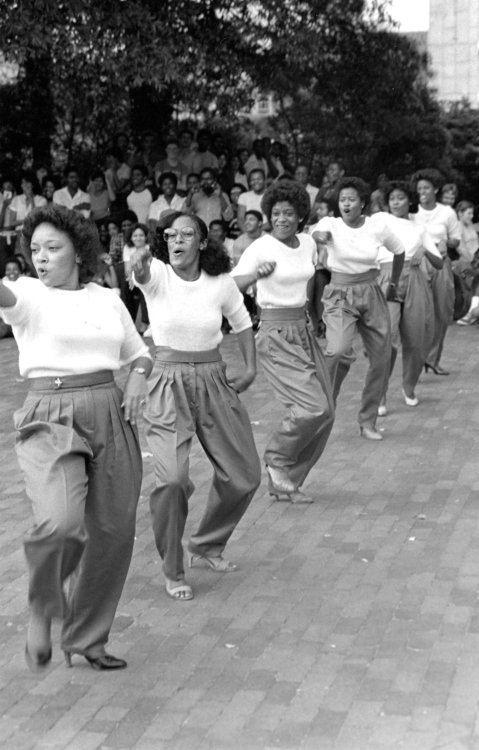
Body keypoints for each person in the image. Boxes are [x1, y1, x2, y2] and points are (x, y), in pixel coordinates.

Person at [0, 204, 152, 672]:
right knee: (60, 521)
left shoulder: (106, 298)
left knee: (113, 531)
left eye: (52, 248)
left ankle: (87, 639)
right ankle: (43, 612)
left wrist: (140, 377)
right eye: (35, 250)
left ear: (79, 252)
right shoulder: (27, 293)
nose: (40, 258)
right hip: (50, 417)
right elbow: (7, 299)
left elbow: (138, 353)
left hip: (109, 410)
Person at [131, 211, 260, 601]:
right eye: (170, 235)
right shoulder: (156, 274)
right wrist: (138, 266)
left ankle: (206, 544)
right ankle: (173, 568)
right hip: (167, 381)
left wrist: (251, 369)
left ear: (202, 242)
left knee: (244, 474)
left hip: (212, 380)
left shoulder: (220, 282)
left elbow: (242, 323)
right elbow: (142, 276)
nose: (177, 241)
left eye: (187, 234)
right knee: (171, 480)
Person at [233, 179, 335, 502]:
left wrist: (316, 319)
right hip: (275, 333)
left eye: (288, 213)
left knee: (327, 411)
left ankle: (287, 479)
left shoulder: (306, 244)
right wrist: (254, 276)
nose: (281, 219)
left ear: (300, 215)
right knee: (311, 408)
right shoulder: (260, 247)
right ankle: (277, 459)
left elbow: (310, 283)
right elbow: (230, 285)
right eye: (275, 213)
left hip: (302, 328)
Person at [311, 176, 405, 440]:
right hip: (340, 292)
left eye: (352, 199)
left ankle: (368, 421)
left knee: (382, 357)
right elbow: (315, 233)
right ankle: (325, 410)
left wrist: (394, 283)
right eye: (342, 199)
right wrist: (321, 237)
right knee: (338, 350)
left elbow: (400, 251)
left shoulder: (377, 226)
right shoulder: (330, 223)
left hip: (371, 292)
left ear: (362, 203)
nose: (346, 204)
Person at [377, 182, 443, 411]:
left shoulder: (419, 228)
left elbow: (439, 262)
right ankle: (380, 395)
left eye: (401, 198)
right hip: (387, 277)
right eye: (392, 198)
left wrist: (425, 250)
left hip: (415, 280)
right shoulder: (380, 220)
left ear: (410, 201)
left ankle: (409, 386)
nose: (396, 202)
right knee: (388, 339)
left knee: (416, 339)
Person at [411, 169, 461, 375]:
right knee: (420, 314)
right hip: (418, 265)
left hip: (441, 263)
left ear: (436, 189)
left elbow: (456, 239)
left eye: (426, 188)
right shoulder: (411, 212)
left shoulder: (447, 212)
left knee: (442, 312)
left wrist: (444, 242)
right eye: (419, 188)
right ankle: (417, 359)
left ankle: (432, 359)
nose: (422, 191)